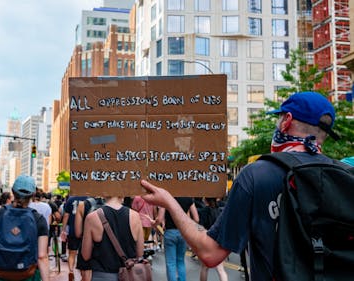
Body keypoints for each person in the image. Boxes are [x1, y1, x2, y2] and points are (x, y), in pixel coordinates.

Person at [140, 91, 339, 280]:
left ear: (286, 121)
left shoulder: (257, 174)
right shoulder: (343, 177)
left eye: (278, 119)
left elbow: (210, 253)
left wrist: (170, 203)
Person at [0, 175, 49, 281]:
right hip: (28, 275)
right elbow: (42, 256)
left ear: (13, 192)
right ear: (33, 194)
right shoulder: (38, 219)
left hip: (0, 275)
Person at [81, 196, 144, 281]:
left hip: (102, 275)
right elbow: (140, 253)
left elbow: (85, 255)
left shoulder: (92, 217)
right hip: (128, 275)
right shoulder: (135, 216)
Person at [157, 197, 198, 281]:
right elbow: (196, 219)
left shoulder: (166, 197)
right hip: (183, 232)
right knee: (180, 261)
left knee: (171, 263)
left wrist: (154, 224)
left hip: (170, 233)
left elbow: (160, 219)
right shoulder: (188, 198)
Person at [74, 197, 105, 281]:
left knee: (86, 277)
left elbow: (78, 233)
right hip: (107, 251)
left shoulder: (82, 205)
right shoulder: (114, 205)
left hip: (86, 247)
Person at [198, 198, 227, 281]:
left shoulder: (204, 211)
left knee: (204, 267)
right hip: (218, 241)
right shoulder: (220, 210)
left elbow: (200, 226)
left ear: (206, 200)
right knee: (221, 270)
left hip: (207, 241)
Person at [60, 195, 87, 281]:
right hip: (85, 231)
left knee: (72, 253)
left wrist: (63, 229)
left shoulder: (71, 199)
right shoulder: (90, 199)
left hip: (73, 230)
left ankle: (71, 271)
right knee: (84, 255)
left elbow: (66, 215)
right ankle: (83, 276)